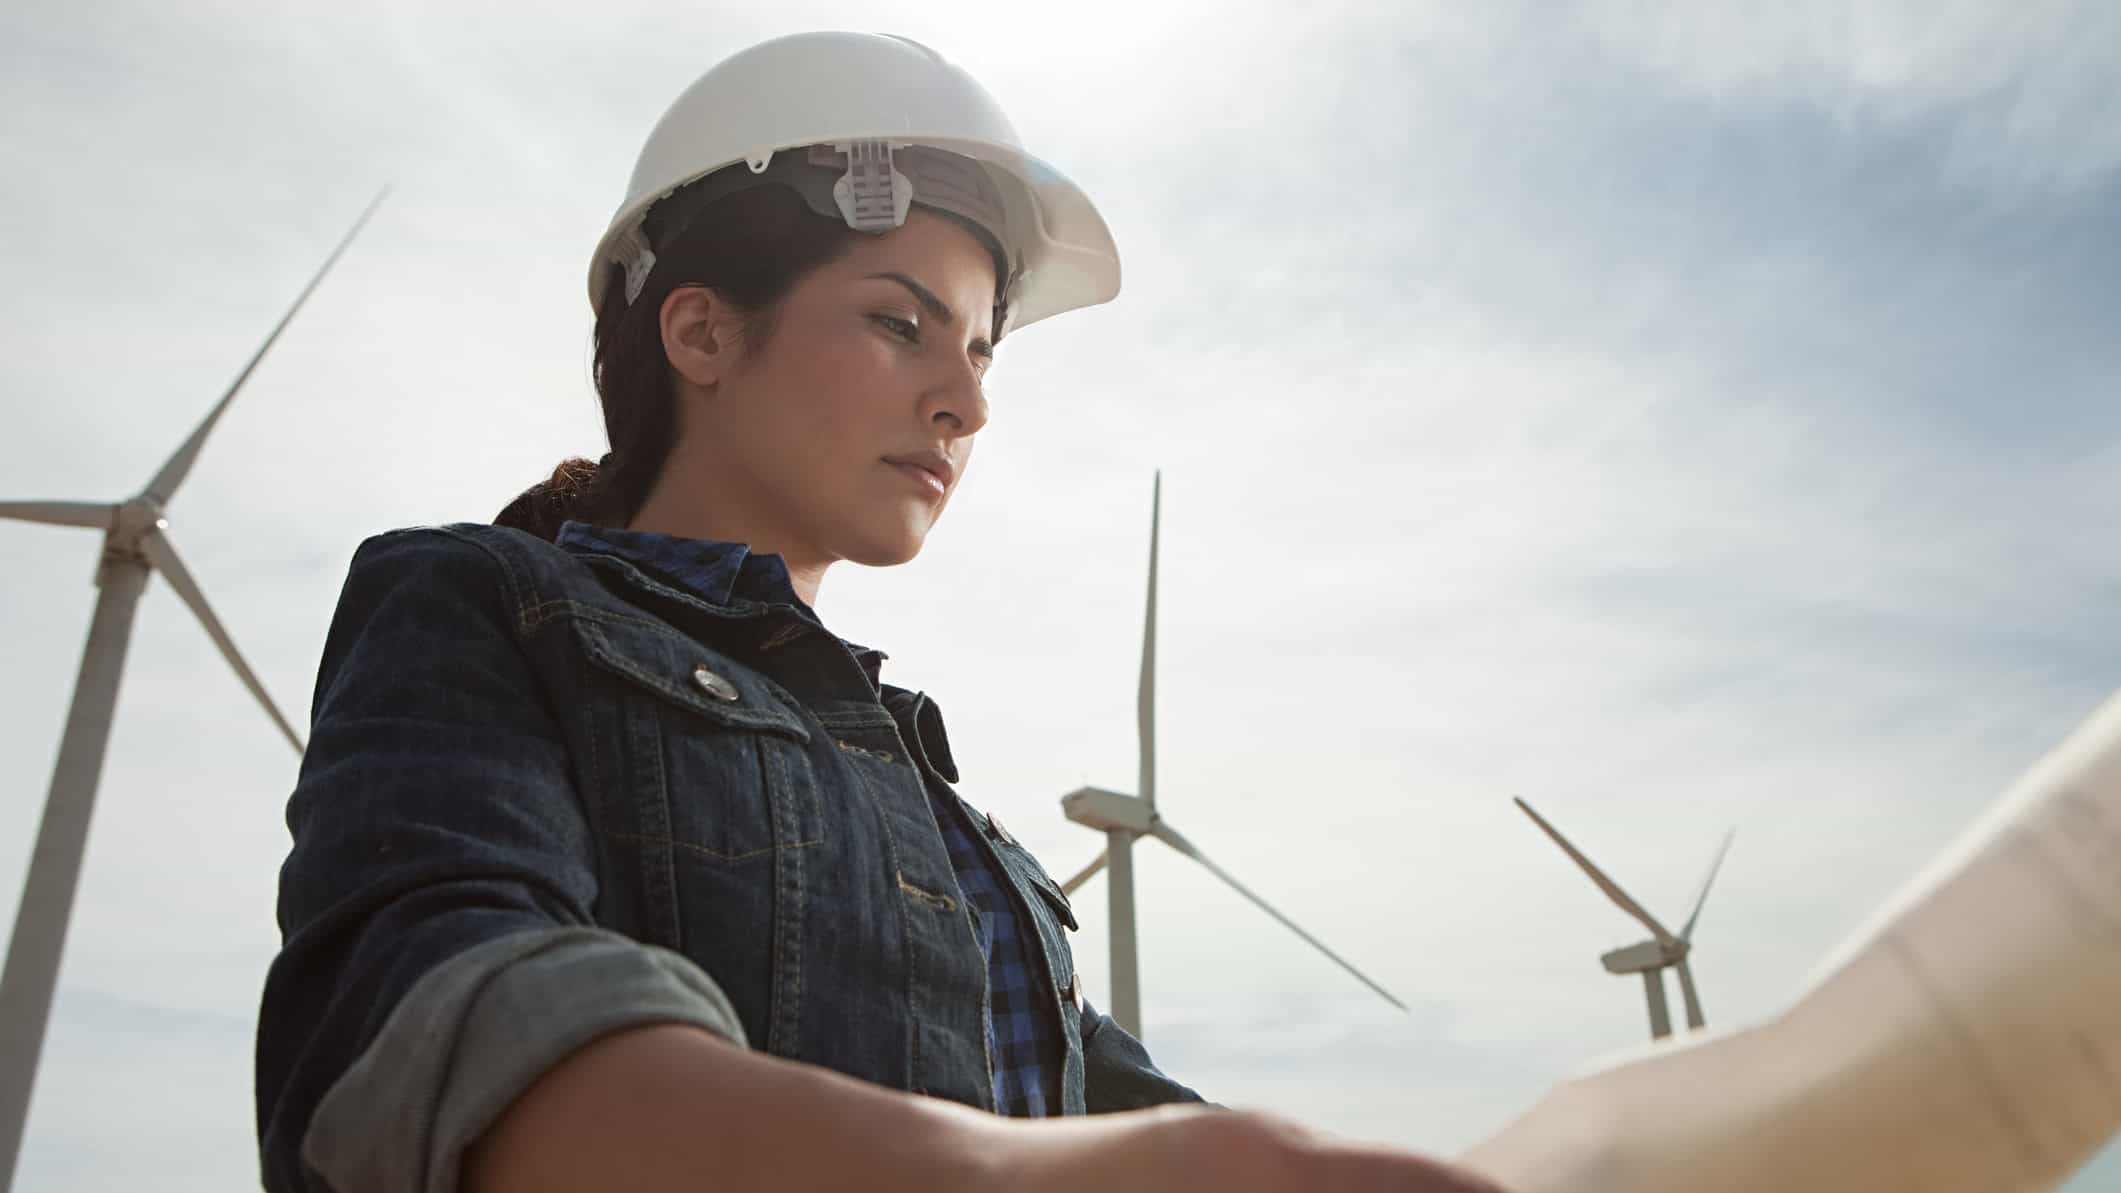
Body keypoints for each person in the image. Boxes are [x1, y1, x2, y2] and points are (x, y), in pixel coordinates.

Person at [253, 31, 1504, 1193]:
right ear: (700, 329)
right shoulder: (486, 603)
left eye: (982, 352)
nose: (967, 403)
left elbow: (1152, 1142)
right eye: (900, 324)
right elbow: (425, 1029)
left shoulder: (962, 836)